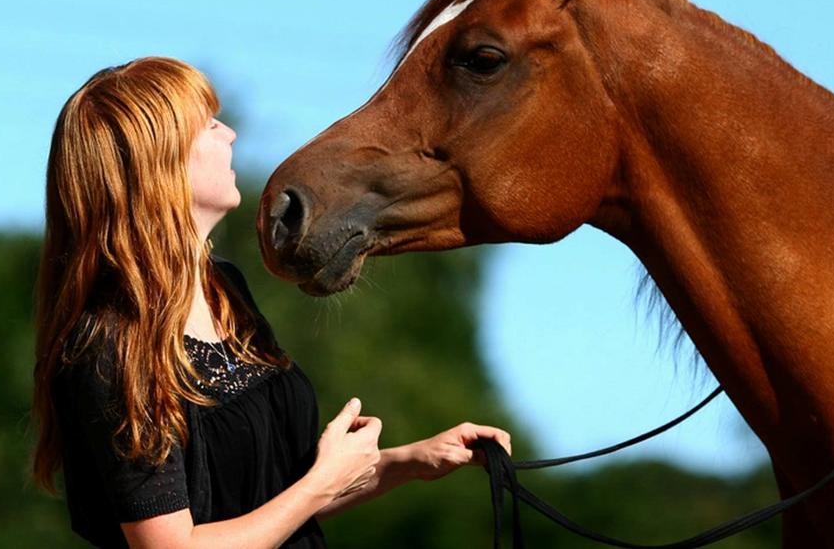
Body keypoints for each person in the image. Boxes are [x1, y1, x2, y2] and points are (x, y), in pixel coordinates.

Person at [31, 57, 511, 548]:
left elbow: (277, 504)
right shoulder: (110, 348)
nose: (230, 134)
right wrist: (322, 480)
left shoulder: (226, 290)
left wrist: (411, 461)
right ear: (160, 161)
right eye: (209, 124)